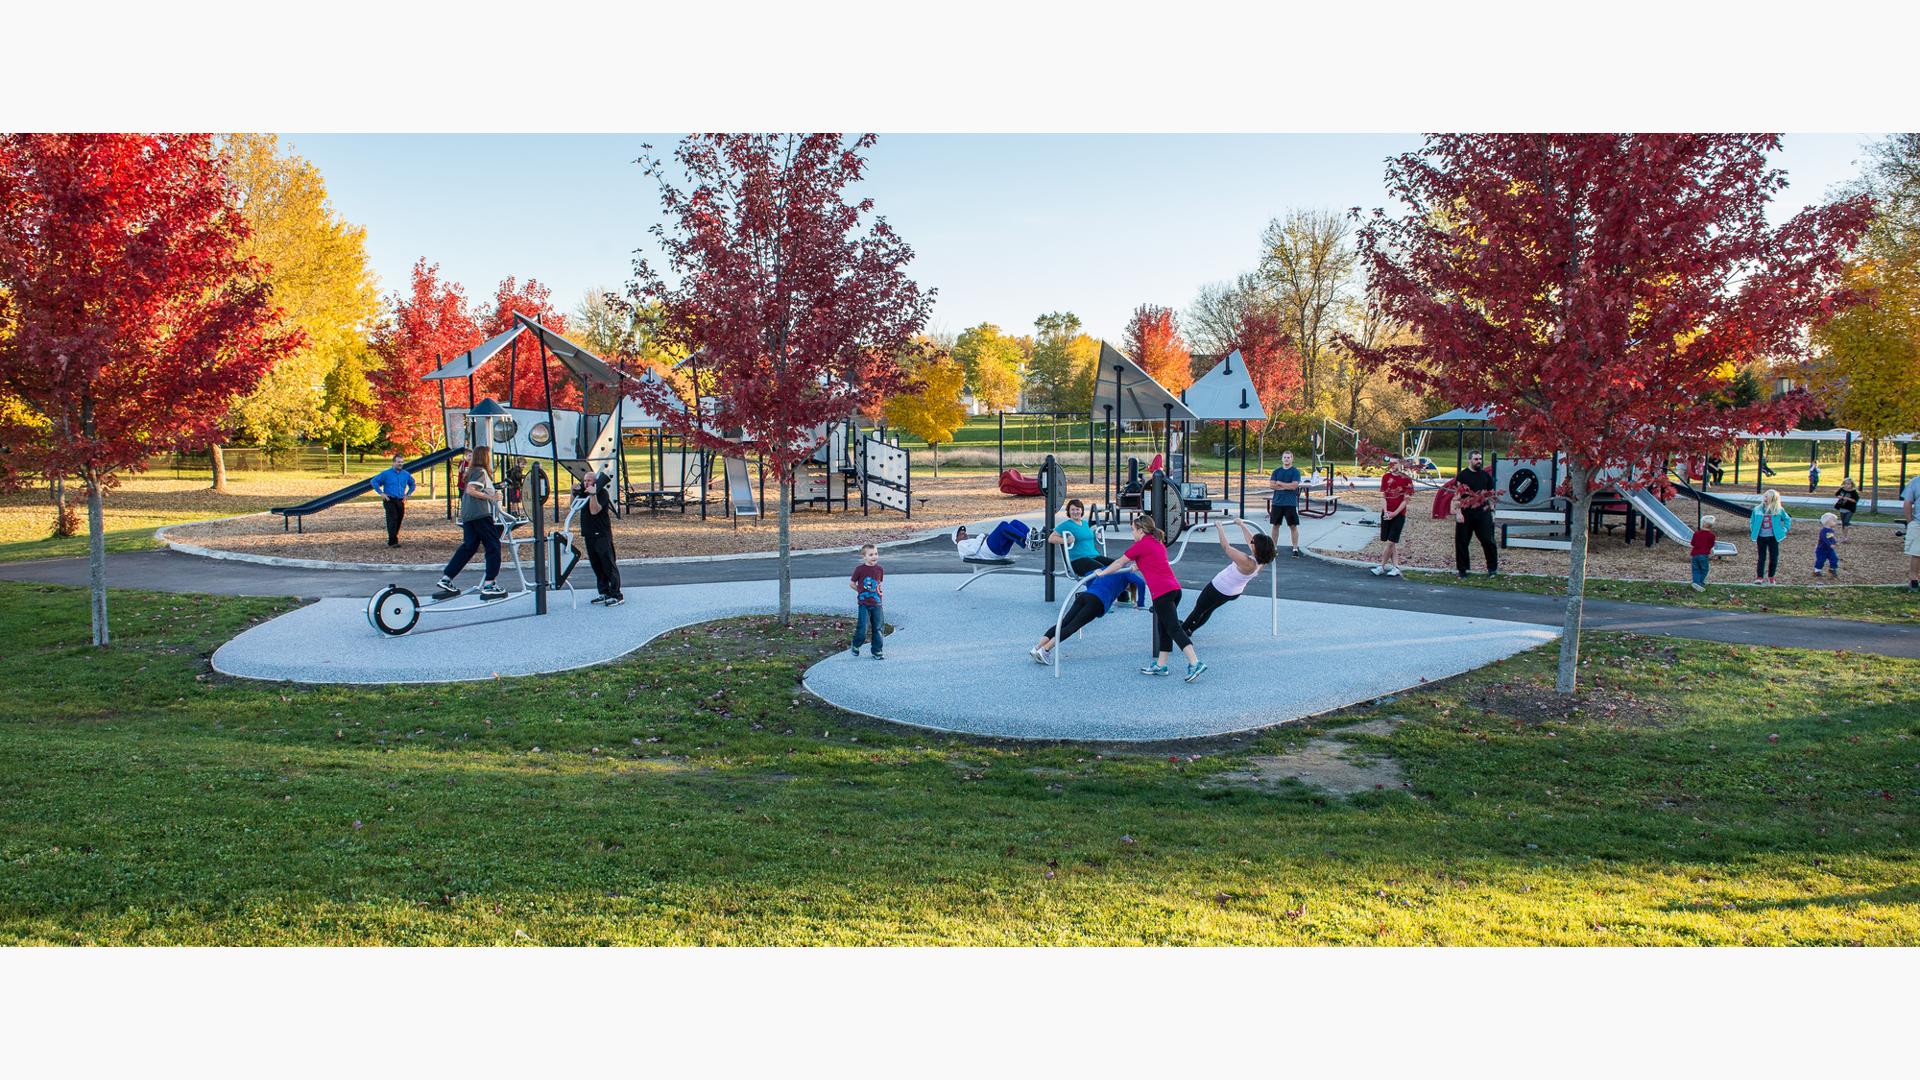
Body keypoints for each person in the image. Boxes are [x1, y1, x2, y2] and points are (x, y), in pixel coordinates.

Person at [1096, 514, 1206, 682]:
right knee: (1164, 628)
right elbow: (1152, 561)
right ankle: (1161, 665)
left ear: (1141, 530)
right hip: (1174, 590)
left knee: (1173, 628)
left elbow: (1119, 562)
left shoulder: (1141, 545)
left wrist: (1102, 573)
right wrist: (1137, 566)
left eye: (1133, 529)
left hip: (1162, 593)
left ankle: (1195, 662)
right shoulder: (1156, 543)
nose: (1132, 533)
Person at [1029, 567, 1147, 665]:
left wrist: (1093, 587)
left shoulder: (1106, 568)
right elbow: (1141, 583)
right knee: (1072, 627)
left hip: (1085, 596)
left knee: (1064, 622)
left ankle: (1038, 647)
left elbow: (1088, 575)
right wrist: (1140, 603)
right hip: (1097, 602)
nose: (1126, 589)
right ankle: (1046, 649)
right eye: (1129, 588)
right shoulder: (1125, 572)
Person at [433, 446, 506, 600]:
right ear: (484, 457)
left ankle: (447, 578)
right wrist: (492, 498)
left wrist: (494, 489)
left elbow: (476, 488)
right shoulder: (480, 471)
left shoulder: (471, 471)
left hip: (468, 514)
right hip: (480, 514)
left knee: (469, 546)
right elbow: (471, 490)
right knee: (493, 546)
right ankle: (489, 584)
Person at [1180, 521, 1276, 637]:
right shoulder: (1263, 559)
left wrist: (1219, 528)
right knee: (1209, 609)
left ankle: (1182, 630)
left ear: (1256, 548)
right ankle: (1190, 629)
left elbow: (1226, 547)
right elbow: (1251, 541)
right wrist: (1242, 525)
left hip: (1220, 588)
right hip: (1233, 592)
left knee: (1199, 608)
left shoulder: (1247, 562)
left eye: (1253, 543)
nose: (1251, 543)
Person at [577, 470, 622, 607]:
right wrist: (574, 492)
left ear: (595, 482)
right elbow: (573, 505)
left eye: (589, 480)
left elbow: (594, 510)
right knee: (596, 565)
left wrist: (593, 495)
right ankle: (604, 592)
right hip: (589, 534)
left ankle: (616, 594)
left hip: (601, 534)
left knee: (608, 564)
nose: (586, 483)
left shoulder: (602, 493)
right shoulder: (584, 493)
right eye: (585, 480)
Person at [1451, 450, 1498, 577]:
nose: (1479, 461)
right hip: (1466, 512)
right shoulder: (1462, 476)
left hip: (1483, 513)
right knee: (1462, 541)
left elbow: (1491, 496)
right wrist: (1458, 513)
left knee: (1488, 540)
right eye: (1476, 459)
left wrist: (1491, 511)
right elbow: (1457, 496)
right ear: (1469, 460)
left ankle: (1492, 568)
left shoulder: (1486, 476)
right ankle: (1463, 569)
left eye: (1480, 459)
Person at [1372, 456, 1415, 577]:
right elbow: (1383, 496)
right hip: (1386, 513)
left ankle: (1381, 566)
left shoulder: (1406, 479)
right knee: (1391, 542)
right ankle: (1396, 567)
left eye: (1395, 463)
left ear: (1401, 463)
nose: (1392, 465)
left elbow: (1406, 500)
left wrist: (1394, 513)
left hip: (1399, 514)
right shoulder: (1386, 477)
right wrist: (1386, 511)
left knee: (1390, 542)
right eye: (1390, 463)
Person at [1048, 499, 1110, 577]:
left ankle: (1119, 587)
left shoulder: (1085, 523)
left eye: (1077, 509)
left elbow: (1084, 536)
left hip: (1094, 556)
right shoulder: (1066, 525)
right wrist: (1066, 540)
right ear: (1069, 512)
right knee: (1102, 569)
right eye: (1072, 510)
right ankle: (1099, 588)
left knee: (1116, 565)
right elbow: (1051, 538)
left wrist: (1095, 535)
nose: (1075, 512)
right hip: (1078, 560)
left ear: (1081, 510)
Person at [369, 453, 416, 547]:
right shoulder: (386, 474)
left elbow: (413, 484)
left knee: (399, 519)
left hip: (400, 500)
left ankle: (394, 537)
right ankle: (393, 541)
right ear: (393, 463)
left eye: (402, 462)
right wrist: (381, 493)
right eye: (398, 462)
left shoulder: (406, 474)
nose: (400, 464)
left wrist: (408, 494)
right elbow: (374, 481)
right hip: (389, 500)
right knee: (392, 518)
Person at [849, 543, 885, 659]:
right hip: (864, 603)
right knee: (863, 626)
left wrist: (879, 595)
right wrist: (860, 591)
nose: (874, 556)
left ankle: (877, 650)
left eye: (876, 554)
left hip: (877, 603)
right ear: (864, 557)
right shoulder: (859, 569)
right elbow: (852, 584)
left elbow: (879, 584)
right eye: (870, 555)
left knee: (878, 627)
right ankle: (856, 644)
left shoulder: (880, 569)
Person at [1749, 488, 1790, 584]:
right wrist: (1753, 529)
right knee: (1761, 557)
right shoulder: (1757, 509)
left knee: (1774, 557)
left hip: (1773, 537)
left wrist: (1784, 529)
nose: (1765, 498)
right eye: (1764, 496)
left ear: (1772, 499)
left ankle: (1771, 576)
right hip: (1761, 537)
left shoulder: (1779, 510)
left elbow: (1787, 519)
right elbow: (1752, 521)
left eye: (1767, 496)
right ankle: (1759, 577)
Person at [1268, 450, 1304, 558]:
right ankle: (1274, 549)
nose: (1287, 459)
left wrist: (1280, 483)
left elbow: (1294, 486)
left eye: (1289, 457)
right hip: (1277, 503)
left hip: (1290, 504)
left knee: (1293, 526)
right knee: (1275, 526)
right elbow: (1271, 485)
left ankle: (1295, 549)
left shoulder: (1295, 472)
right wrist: (1285, 486)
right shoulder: (1276, 471)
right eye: (1285, 457)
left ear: (1292, 459)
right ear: (1282, 459)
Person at [953, 519, 1039, 560]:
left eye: (964, 532)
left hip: (997, 552)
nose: (964, 533)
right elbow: (973, 550)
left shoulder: (967, 542)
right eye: (960, 533)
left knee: (1014, 523)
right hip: (989, 550)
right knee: (1003, 525)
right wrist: (981, 536)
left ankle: (1032, 538)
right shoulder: (960, 545)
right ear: (956, 540)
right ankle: (1026, 540)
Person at [1688, 514, 1717, 592]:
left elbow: (1692, 543)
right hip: (1704, 554)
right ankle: (1699, 582)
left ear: (1703, 524)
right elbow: (1711, 545)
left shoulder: (1696, 533)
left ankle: (1696, 582)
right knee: (1704, 569)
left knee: (1695, 569)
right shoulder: (1712, 535)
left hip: (1695, 554)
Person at [1902, 471, 1920, 591]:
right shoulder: (1916, 481)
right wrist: (1910, 521)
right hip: (1918, 523)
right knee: (1917, 553)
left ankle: (1914, 579)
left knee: (1917, 553)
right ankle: (1913, 579)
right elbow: (1907, 502)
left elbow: (1907, 502)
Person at [1813, 512, 1841, 578]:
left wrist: (1835, 541)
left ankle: (1832, 570)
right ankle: (1817, 571)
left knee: (1834, 559)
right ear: (1828, 522)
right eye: (1834, 521)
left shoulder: (1831, 530)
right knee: (1821, 560)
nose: (1836, 522)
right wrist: (1830, 544)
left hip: (1829, 549)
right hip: (1822, 549)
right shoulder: (1823, 531)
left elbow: (1831, 537)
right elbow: (1825, 539)